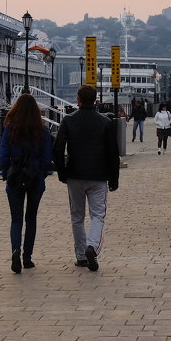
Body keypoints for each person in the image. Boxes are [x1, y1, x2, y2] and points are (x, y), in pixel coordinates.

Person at [54, 85, 119, 272]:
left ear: (78, 99)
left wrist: (62, 172)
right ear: (96, 100)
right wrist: (114, 179)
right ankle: (92, 246)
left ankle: (81, 256)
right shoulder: (105, 122)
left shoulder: (68, 120)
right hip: (98, 175)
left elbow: (58, 149)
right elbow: (113, 153)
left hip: (74, 174)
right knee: (98, 214)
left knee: (77, 216)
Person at [0, 93, 54, 274]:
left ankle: (15, 249)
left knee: (16, 219)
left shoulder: (10, 128)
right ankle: (27, 258)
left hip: (15, 177)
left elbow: (3, 156)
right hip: (35, 178)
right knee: (31, 218)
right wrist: (42, 174)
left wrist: (7, 173)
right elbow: (47, 159)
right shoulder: (43, 131)